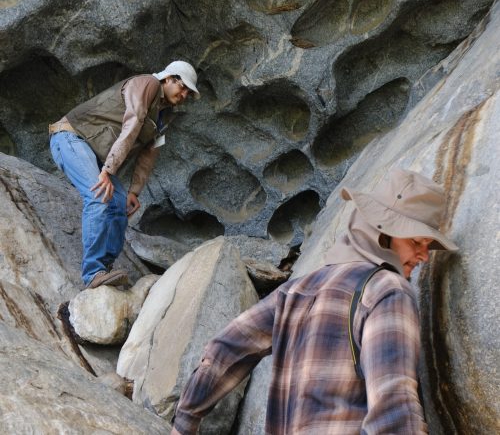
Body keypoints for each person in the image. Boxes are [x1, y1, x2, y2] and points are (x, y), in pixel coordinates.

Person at [171, 169, 459, 434]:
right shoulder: (388, 291)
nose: (424, 256)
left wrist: (185, 420)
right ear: (382, 232)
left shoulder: (295, 291)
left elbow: (225, 350)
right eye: (416, 242)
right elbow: (393, 405)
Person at [49, 61, 199, 289]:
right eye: (183, 86)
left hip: (94, 154)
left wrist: (133, 192)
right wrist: (108, 170)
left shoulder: (164, 115)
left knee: (118, 204)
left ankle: (104, 270)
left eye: (189, 91)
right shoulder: (146, 83)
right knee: (99, 196)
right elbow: (133, 122)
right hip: (71, 138)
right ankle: (92, 273)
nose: (185, 94)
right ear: (168, 78)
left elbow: (149, 154)